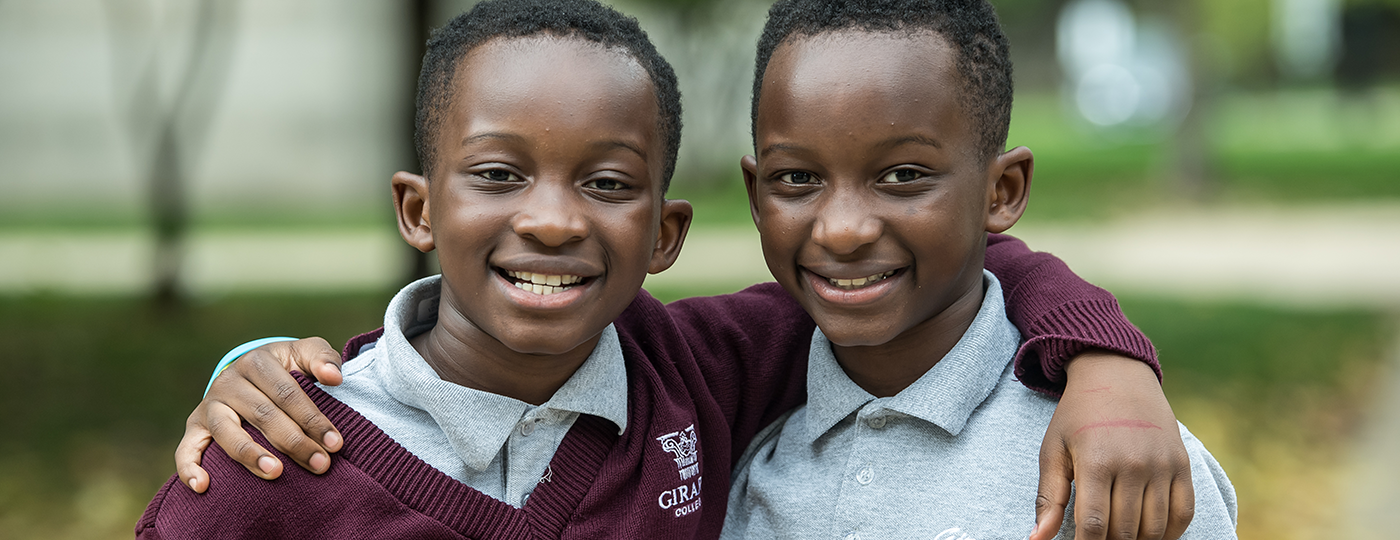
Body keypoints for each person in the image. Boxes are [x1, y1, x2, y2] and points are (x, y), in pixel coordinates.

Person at [143, 0, 1194, 538]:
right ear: (419, 208)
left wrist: (1108, 367)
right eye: (500, 173)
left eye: (606, 184)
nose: (551, 222)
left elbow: (951, 262)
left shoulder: (696, 373)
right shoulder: (268, 461)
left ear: (666, 237)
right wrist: (240, 363)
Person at [718, 1, 1236, 538]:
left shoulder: (1119, 462)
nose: (842, 230)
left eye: (902, 174)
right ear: (757, 197)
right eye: (798, 178)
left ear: (1002, 191)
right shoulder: (728, 450)